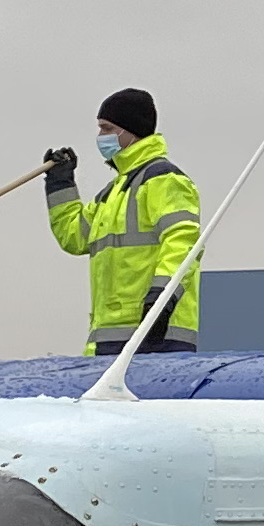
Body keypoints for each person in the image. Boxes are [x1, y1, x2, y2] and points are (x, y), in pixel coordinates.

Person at [44, 89, 204, 355]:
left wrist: (162, 299)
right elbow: (73, 237)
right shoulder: (112, 193)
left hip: (156, 334)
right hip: (108, 337)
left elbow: (183, 243)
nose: (100, 137)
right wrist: (60, 183)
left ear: (132, 131)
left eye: (107, 128)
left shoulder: (164, 180)